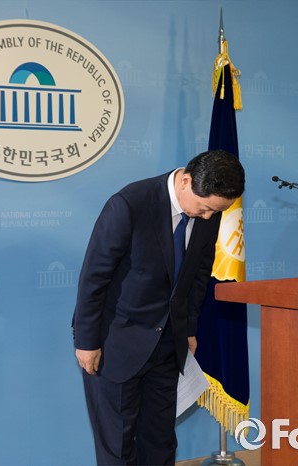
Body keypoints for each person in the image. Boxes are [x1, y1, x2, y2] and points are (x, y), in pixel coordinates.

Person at [72, 149, 245, 465]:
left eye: (216, 211)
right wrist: (86, 341)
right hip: (117, 343)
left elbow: (198, 275)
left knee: (161, 440)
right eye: (206, 208)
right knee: (117, 446)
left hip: (167, 345)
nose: (209, 217)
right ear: (186, 181)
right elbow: (94, 277)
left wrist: (188, 328)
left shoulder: (209, 210)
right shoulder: (130, 204)